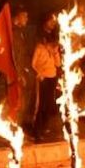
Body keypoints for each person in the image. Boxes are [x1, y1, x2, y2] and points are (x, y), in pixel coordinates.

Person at [32, 14, 62, 142]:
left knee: (50, 104)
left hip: (52, 78)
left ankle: (45, 128)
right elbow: (33, 64)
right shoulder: (39, 48)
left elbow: (58, 64)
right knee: (41, 105)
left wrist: (55, 53)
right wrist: (38, 73)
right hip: (42, 78)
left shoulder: (54, 50)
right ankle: (37, 131)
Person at [12, 6, 35, 130]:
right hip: (14, 75)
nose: (27, 18)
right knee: (16, 104)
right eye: (24, 16)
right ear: (17, 16)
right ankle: (14, 132)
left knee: (21, 104)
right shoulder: (13, 32)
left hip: (20, 72)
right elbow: (14, 55)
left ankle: (18, 131)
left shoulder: (19, 32)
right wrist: (19, 74)